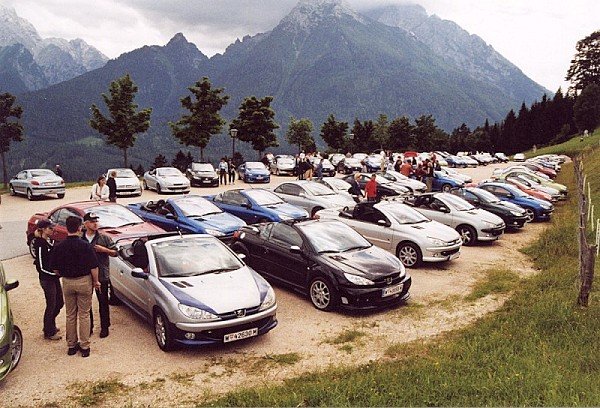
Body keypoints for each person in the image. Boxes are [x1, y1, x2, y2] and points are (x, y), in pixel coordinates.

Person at [50, 216, 100, 358]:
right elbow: (94, 266)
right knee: (84, 314)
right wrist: (96, 281)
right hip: (84, 281)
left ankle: (71, 345)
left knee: (70, 314)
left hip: (67, 281)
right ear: (79, 228)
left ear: (67, 227)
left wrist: (64, 274)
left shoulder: (59, 246)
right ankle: (84, 345)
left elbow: (55, 268)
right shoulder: (85, 246)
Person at [82, 212, 117, 339]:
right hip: (85, 276)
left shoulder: (104, 238)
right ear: (85, 224)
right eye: (92, 221)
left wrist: (105, 250)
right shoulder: (81, 238)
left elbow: (116, 252)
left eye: (96, 221)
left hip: (101, 275)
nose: (95, 223)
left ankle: (105, 327)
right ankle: (89, 327)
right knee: (86, 304)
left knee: (103, 302)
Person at [33, 219, 64, 341]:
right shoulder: (40, 244)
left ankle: (50, 324)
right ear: (43, 229)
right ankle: (48, 331)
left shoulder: (48, 241)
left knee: (59, 302)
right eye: (50, 228)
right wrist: (54, 274)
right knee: (51, 305)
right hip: (47, 279)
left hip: (53, 278)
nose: (53, 230)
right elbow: (41, 266)